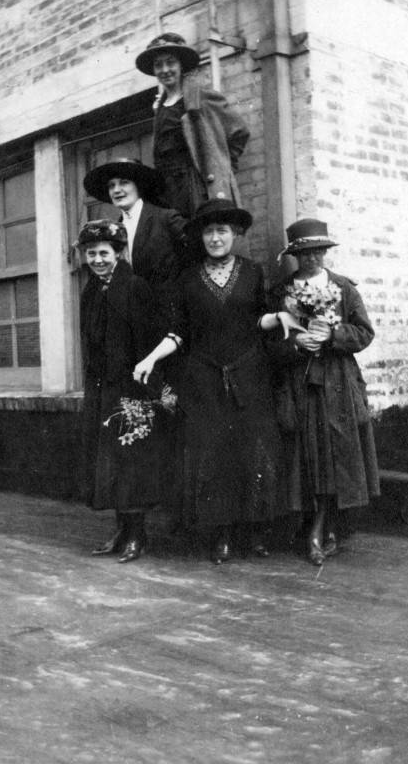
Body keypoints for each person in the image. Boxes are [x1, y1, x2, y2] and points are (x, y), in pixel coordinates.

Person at [133, 199, 284, 564]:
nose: (215, 238)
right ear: (200, 237)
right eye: (209, 232)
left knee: (251, 451)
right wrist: (150, 358)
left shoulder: (253, 273)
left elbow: (258, 320)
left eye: (222, 231)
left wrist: (280, 317)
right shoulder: (187, 279)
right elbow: (179, 332)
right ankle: (222, 535)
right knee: (213, 454)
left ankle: (254, 532)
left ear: (235, 234)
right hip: (203, 379)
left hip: (249, 375)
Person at [265, 218, 380, 566]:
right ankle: (316, 526)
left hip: (337, 383)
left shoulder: (343, 288)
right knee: (306, 455)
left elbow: (364, 333)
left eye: (318, 251)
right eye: (304, 253)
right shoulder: (281, 292)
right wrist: (296, 345)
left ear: (326, 252)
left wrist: (332, 335)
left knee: (334, 453)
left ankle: (325, 527)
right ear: (294, 256)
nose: (312, 258)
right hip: (299, 384)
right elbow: (268, 344)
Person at [76, 219, 166, 564]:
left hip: (131, 388)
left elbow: (147, 341)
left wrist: (144, 388)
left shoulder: (135, 287)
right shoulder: (91, 291)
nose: (97, 260)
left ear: (118, 253)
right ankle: (121, 531)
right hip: (102, 389)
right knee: (110, 463)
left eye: (103, 253)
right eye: (91, 254)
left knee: (131, 462)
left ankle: (137, 535)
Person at [135, 32, 250, 218]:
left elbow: (239, 132)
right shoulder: (160, 108)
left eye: (170, 63)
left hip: (196, 185)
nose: (165, 70)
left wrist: (222, 167)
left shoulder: (201, 97)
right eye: (158, 65)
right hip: (168, 189)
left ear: (181, 65)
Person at [82, 158, 189, 296]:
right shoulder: (112, 232)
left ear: (139, 185)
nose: (116, 190)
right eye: (111, 186)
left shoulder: (165, 218)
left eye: (124, 183)